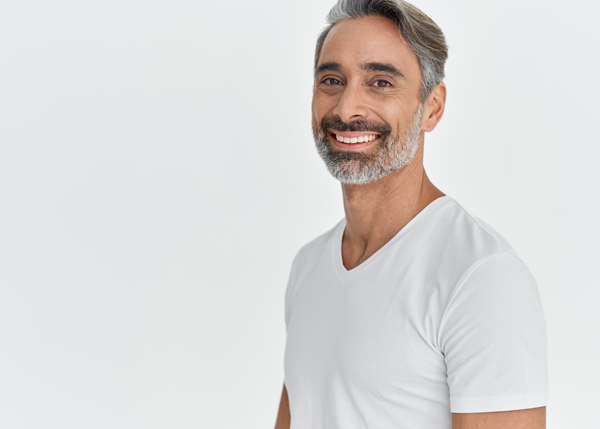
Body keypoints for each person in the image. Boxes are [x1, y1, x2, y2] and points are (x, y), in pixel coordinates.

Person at [274, 0, 549, 428]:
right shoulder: (308, 266)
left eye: (380, 82)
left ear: (432, 107)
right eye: (332, 79)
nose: (347, 109)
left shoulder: (481, 276)